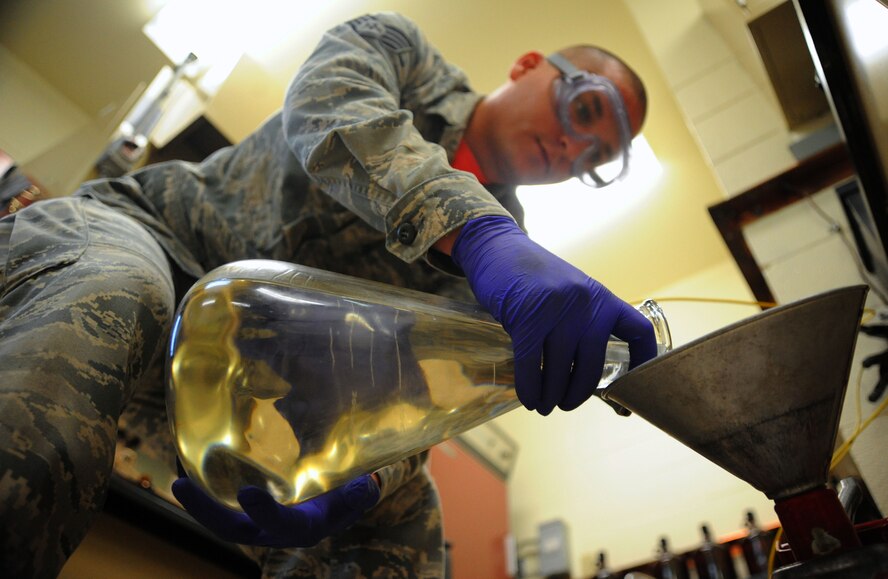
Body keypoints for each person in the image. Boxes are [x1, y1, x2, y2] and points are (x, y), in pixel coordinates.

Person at [0, 11, 656, 578]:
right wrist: (476, 231)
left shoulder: (512, 275)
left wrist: (367, 480)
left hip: (241, 390)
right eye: (585, 108)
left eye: (596, 158)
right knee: (118, 292)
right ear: (531, 65)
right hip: (158, 243)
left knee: (406, 514)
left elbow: (418, 398)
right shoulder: (403, 55)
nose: (574, 146)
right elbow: (329, 104)